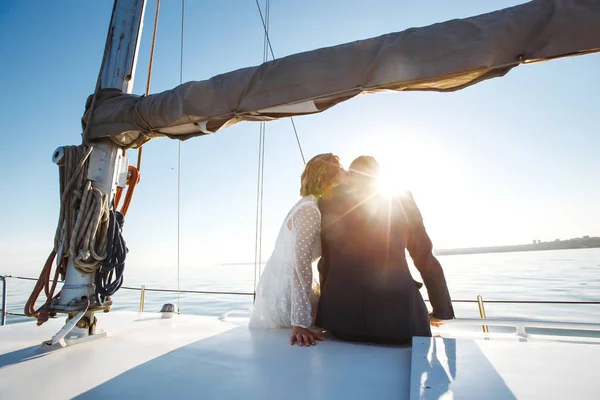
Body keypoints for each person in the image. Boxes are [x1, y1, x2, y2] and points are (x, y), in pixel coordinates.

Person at [316, 156, 454, 344]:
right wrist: (441, 310)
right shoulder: (400, 198)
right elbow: (424, 257)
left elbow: (326, 263)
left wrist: (327, 309)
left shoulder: (326, 202)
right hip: (400, 325)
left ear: (350, 175)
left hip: (340, 324)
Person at [249, 153, 346, 346]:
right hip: (286, 296)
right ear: (330, 176)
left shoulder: (309, 205)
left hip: (285, 288)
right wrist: (300, 323)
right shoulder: (310, 210)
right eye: (341, 169)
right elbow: (299, 264)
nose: (346, 172)